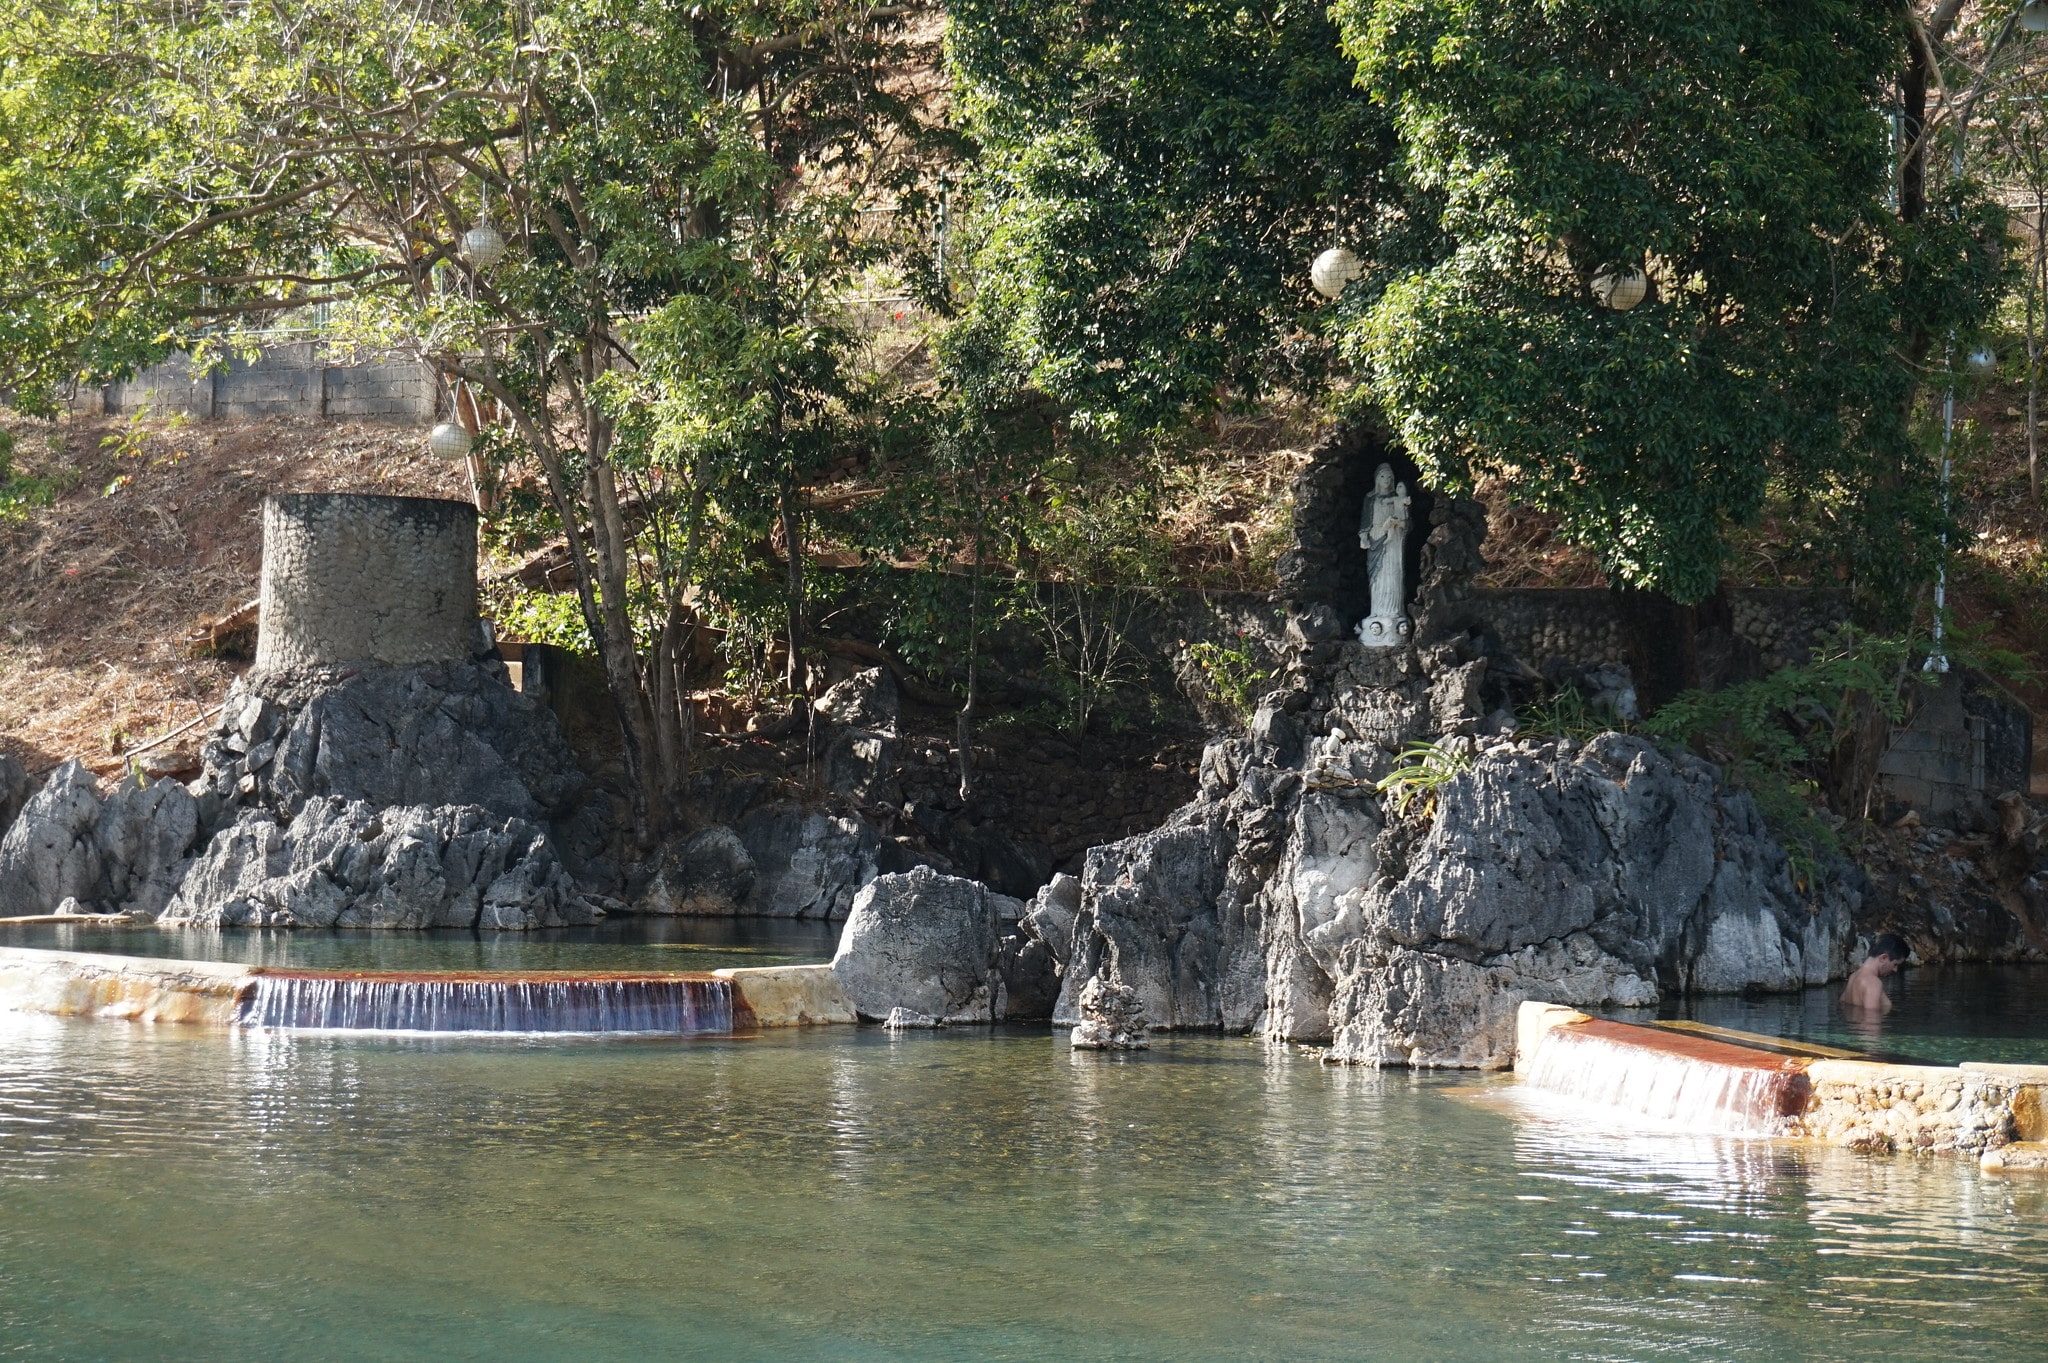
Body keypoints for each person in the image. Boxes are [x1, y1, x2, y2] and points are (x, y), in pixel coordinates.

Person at [1840, 933, 1909, 1015]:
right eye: (1895, 964)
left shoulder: (1853, 977)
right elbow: (1871, 1022)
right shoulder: (1873, 983)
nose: (1895, 970)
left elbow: (1842, 1004)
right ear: (1883, 958)